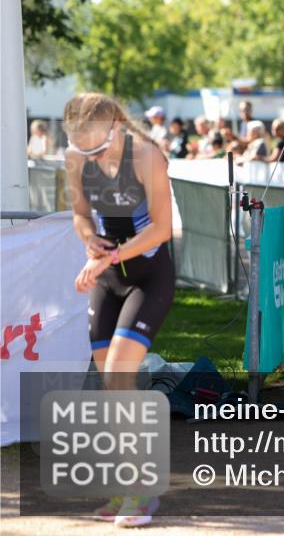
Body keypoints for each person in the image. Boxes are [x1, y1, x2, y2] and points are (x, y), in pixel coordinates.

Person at [63, 93, 173, 527]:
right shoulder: (75, 157)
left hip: (149, 274)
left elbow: (162, 229)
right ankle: (124, 487)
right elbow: (80, 215)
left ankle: (143, 491)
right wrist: (89, 239)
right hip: (108, 277)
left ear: (116, 128)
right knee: (111, 388)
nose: (90, 156)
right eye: (82, 149)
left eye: (98, 147)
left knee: (119, 376)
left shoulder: (146, 155)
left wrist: (105, 257)